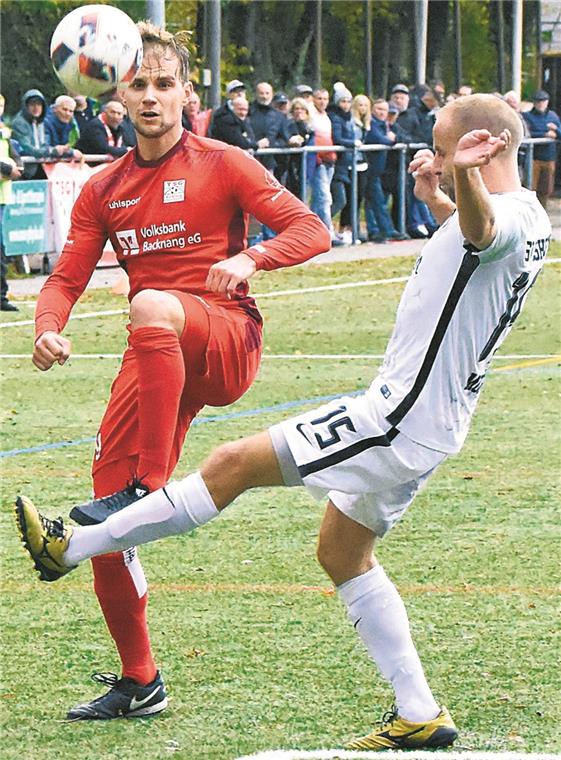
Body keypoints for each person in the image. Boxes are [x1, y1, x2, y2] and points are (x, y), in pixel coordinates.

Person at [17, 95, 551, 748]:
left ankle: (69, 548)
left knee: (231, 465)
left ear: (487, 147)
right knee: (340, 551)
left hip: (398, 416)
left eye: (442, 150)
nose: (435, 161)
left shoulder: (501, 220)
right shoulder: (526, 216)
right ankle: (418, 711)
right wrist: (439, 196)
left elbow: (480, 234)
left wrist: (460, 180)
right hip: (430, 420)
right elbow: (471, 246)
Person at [19, 22, 329, 722]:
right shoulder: (105, 189)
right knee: (95, 522)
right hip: (155, 351)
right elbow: (64, 279)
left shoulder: (223, 161)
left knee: (154, 304)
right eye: (139, 85)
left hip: (223, 340)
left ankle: (147, 486)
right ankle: (141, 680)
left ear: (188, 94)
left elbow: (312, 229)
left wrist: (251, 259)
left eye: (165, 84)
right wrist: (47, 330)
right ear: (117, 93)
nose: (152, 97)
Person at [364, 99, 407, 243]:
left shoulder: (384, 125)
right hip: (369, 169)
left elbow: (400, 137)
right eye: (379, 109)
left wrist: (394, 138)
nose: (382, 113)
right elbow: (378, 138)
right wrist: (392, 140)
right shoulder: (372, 124)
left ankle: (379, 230)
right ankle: (385, 230)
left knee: (374, 201)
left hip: (377, 170)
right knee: (376, 201)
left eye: (384, 110)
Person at [11, 89, 79, 178]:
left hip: (41, 169)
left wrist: (67, 151)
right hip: (23, 172)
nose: (36, 108)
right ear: (26, 106)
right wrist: (53, 151)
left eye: (39, 104)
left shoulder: (41, 121)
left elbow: (45, 146)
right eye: (32, 104)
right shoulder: (19, 123)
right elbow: (28, 149)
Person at [1, 93, 23, 311]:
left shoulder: (4, 132)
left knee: (1, 248)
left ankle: (1, 296)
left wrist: (17, 167)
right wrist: (7, 169)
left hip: (2, 198)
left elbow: (16, 153)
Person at [522, 89, 561, 209]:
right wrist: (546, 134)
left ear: (547, 102)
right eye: (538, 101)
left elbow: (559, 132)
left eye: (543, 101)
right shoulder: (527, 116)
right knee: (530, 188)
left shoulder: (553, 116)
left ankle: (542, 212)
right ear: (534, 102)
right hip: (533, 158)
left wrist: (556, 131)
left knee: (546, 189)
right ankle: (530, 212)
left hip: (549, 158)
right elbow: (528, 133)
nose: (541, 104)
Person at [309, 88, 338, 242]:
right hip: (317, 161)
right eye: (319, 98)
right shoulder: (311, 115)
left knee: (320, 199)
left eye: (325, 99)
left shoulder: (327, 116)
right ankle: (328, 232)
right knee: (324, 197)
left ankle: (312, 230)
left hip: (329, 160)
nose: (322, 102)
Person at [284, 97, 314, 197]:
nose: (299, 111)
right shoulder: (289, 125)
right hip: (292, 166)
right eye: (296, 108)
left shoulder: (310, 128)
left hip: (308, 165)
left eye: (302, 109)